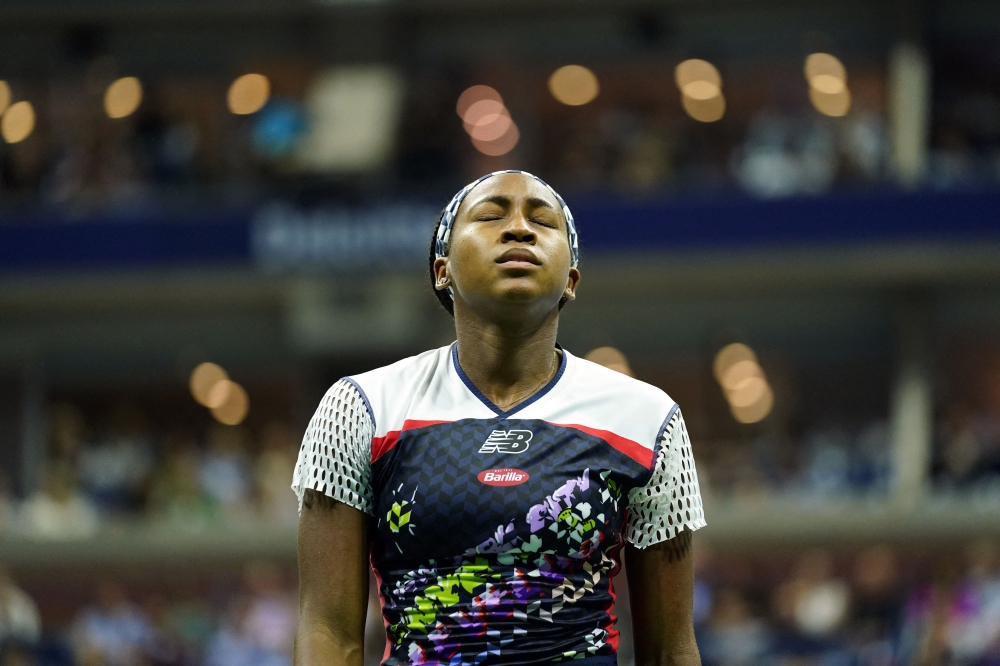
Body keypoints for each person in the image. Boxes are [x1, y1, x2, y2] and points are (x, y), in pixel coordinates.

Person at [292, 170, 706, 666]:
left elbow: (670, 649)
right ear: (441, 270)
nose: (519, 229)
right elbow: (328, 632)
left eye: (543, 221)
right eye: (490, 216)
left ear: (571, 279)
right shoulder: (361, 407)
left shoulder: (646, 417)